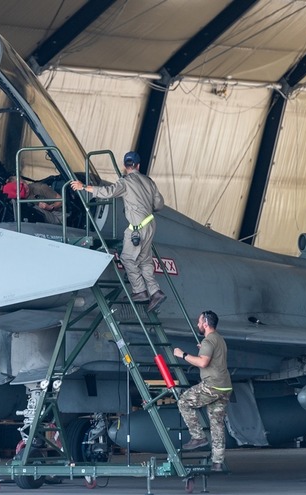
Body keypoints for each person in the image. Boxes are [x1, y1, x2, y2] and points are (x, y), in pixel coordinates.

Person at [70, 151, 167, 312]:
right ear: (138, 165)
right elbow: (158, 205)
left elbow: (107, 192)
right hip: (150, 224)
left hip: (137, 227)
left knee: (127, 258)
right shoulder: (149, 182)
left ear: (125, 166)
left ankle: (139, 291)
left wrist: (84, 187)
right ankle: (155, 292)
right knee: (144, 260)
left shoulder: (125, 182)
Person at [173, 310, 233, 472]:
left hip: (212, 385)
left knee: (184, 402)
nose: (197, 325)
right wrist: (203, 348)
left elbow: (203, 362)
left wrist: (182, 355)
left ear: (205, 323)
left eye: (199, 322)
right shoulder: (218, 339)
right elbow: (212, 356)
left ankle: (198, 437)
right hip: (225, 386)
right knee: (217, 424)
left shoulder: (208, 341)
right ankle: (217, 462)